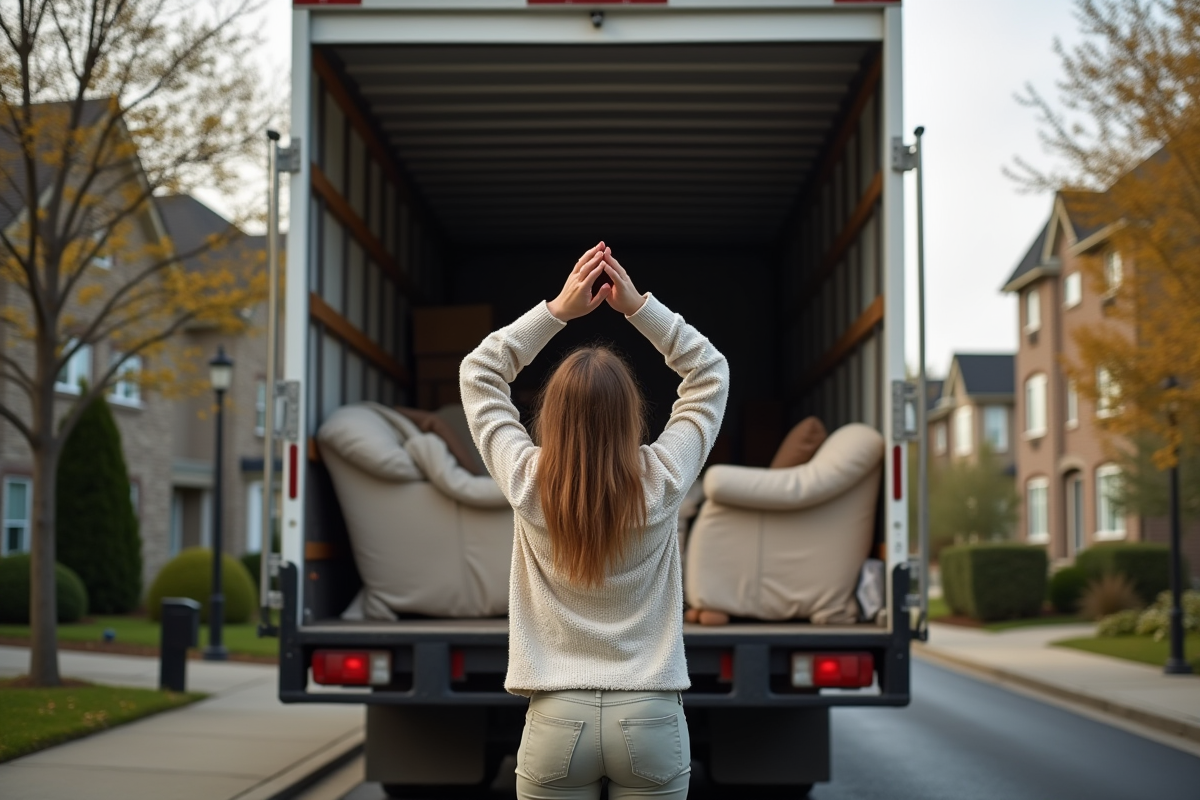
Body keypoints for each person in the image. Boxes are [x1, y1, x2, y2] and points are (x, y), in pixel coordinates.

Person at [460, 242, 729, 800]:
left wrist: (557, 311)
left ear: (550, 416)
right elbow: (709, 374)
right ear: (633, 413)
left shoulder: (528, 479)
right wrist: (639, 309)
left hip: (557, 718)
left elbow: (480, 371)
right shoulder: (662, 476)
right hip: (650, 716)